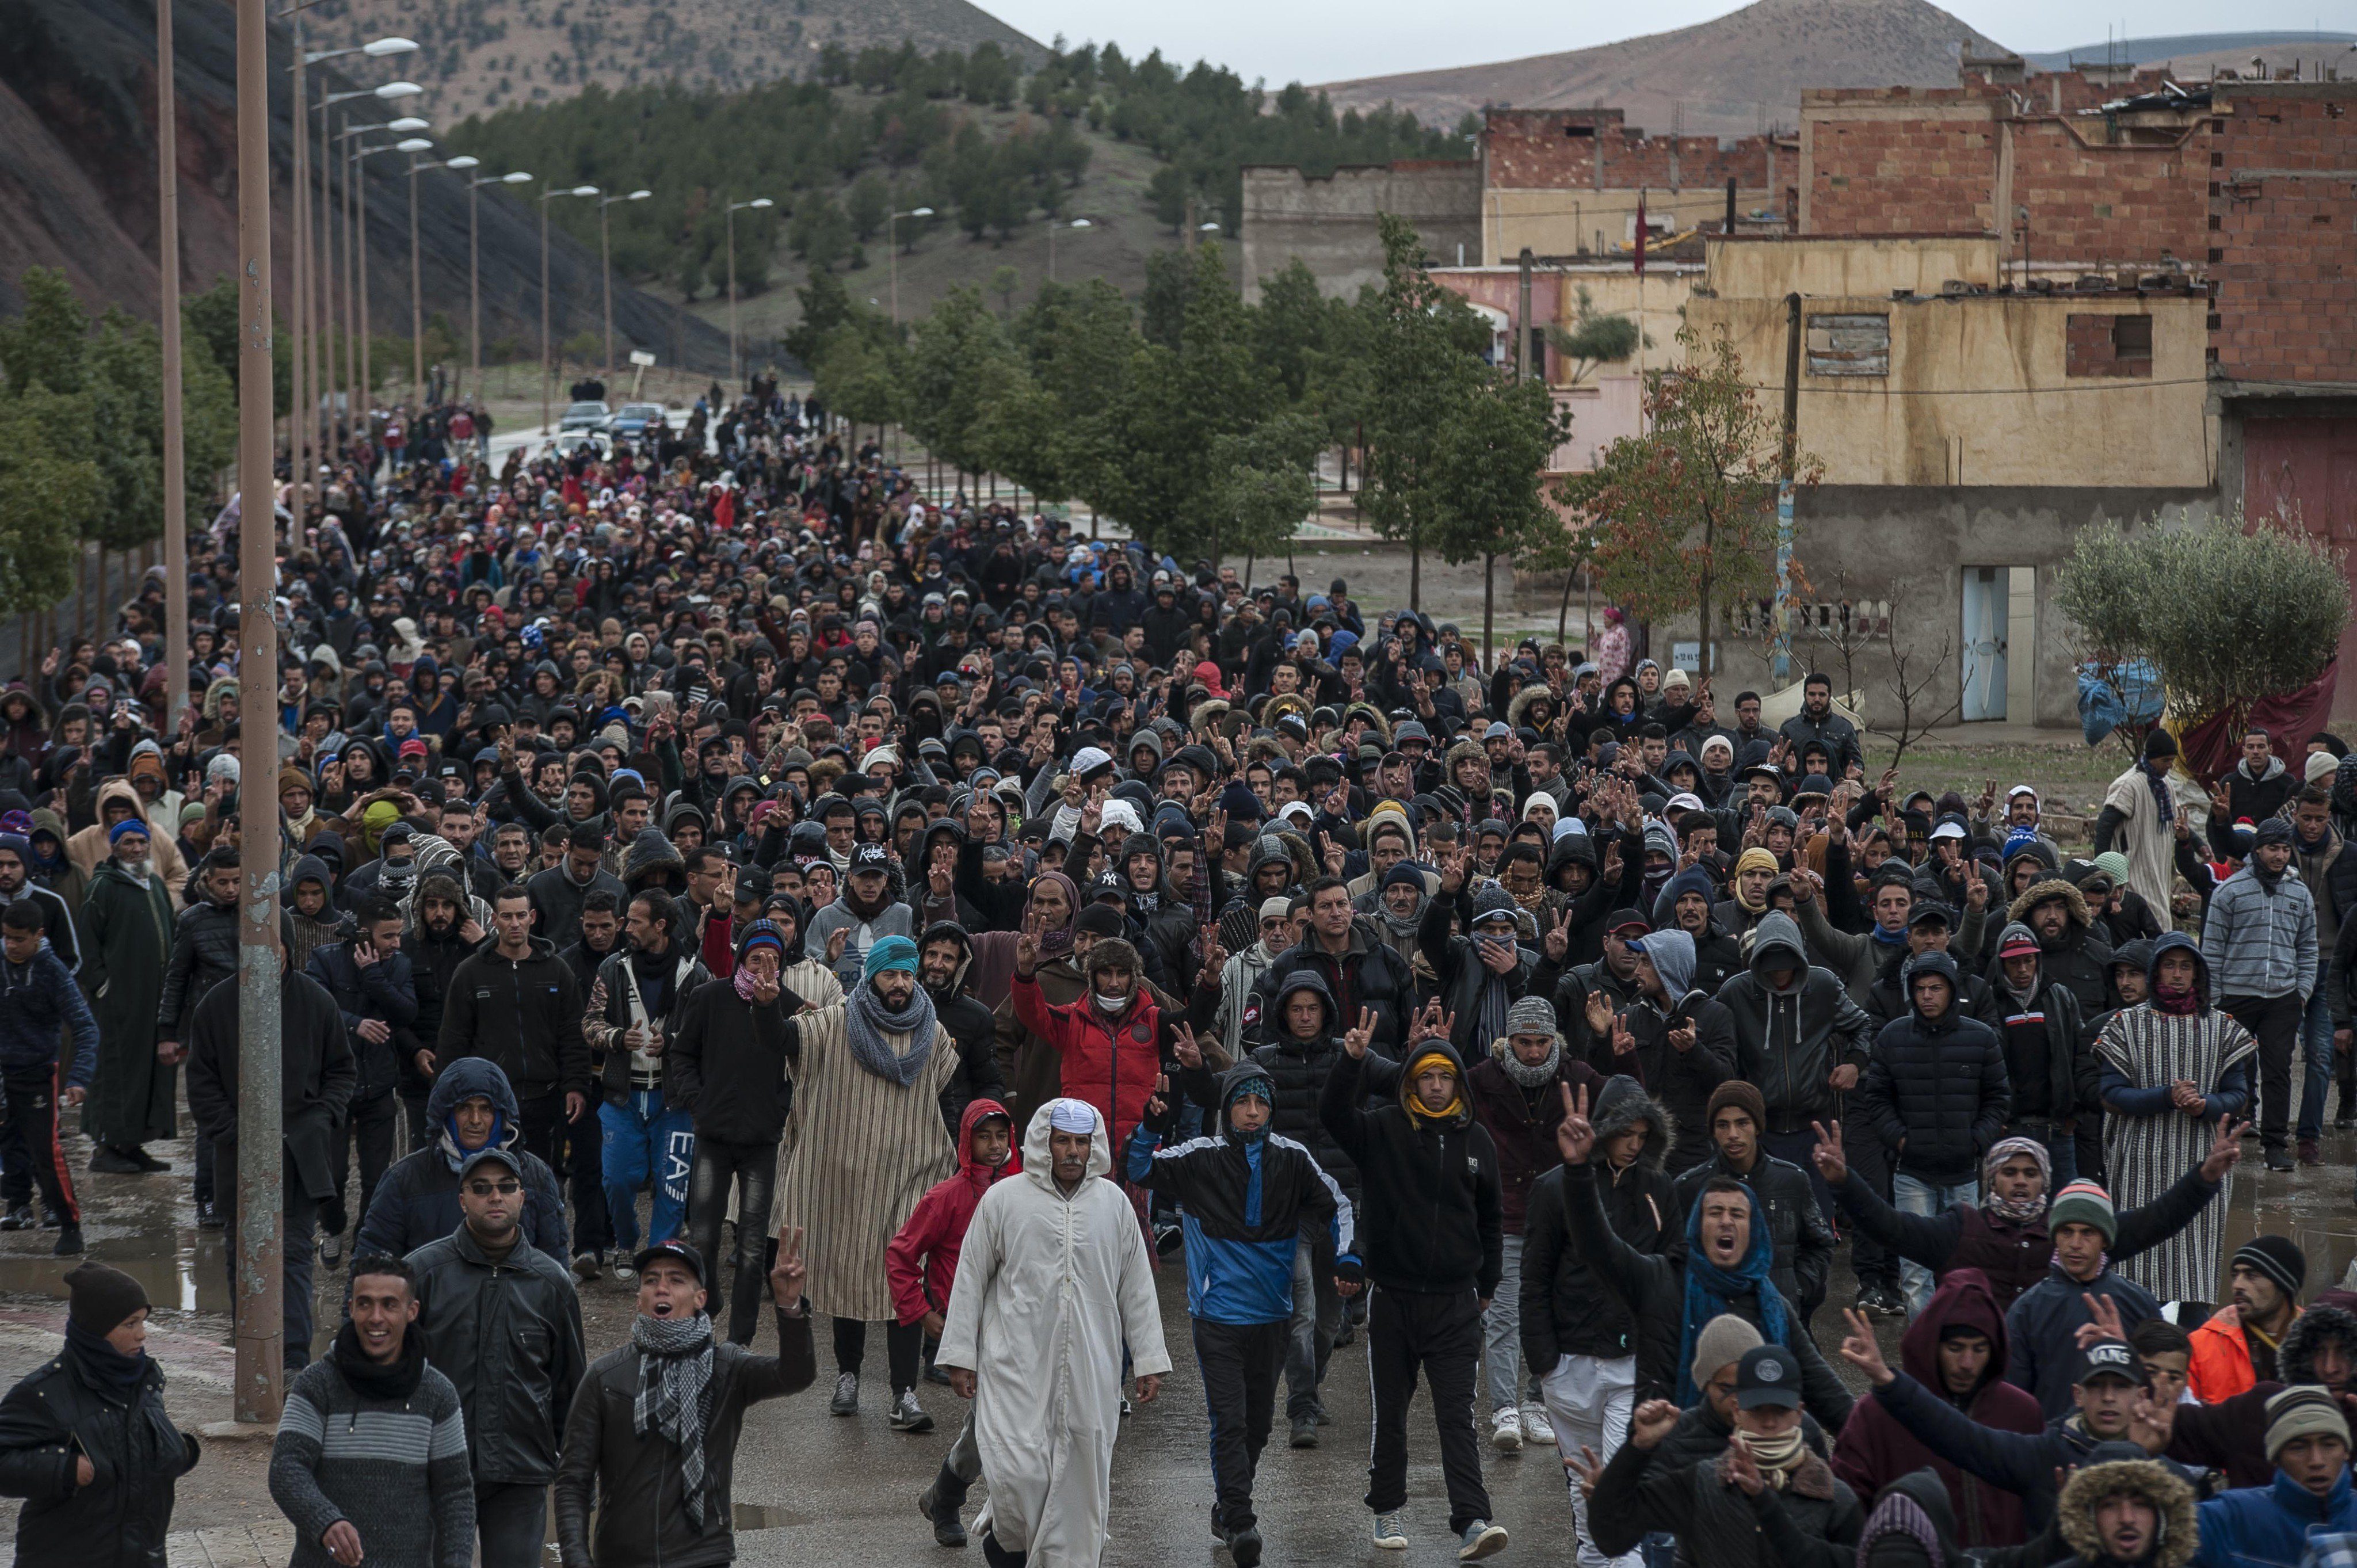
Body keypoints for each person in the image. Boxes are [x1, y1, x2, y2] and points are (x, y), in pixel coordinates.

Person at [1125, 1063, 1357, 1568]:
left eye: (1261, 1104)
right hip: (1217, 1316)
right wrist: (1151, 1127)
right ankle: (1242, 1520)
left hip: (1273, 1315)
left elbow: (1338, 1204)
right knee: (1228, 1421)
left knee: (1258, 1426)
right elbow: (1139, 1168)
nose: (1252, 1113)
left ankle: (1226, 1506)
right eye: (1242, 1102)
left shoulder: (1292, 1159)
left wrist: (1348, 1256)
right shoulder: (1200, 1157)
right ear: (1227, 1107)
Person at [936, 1098, 1172, 1568]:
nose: (1072, 1152)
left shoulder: (1114, 1206)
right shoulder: (1004, 1200)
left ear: (1093, 1145)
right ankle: (1006, 1545)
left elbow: (1138, 1289)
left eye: (1081, 1142)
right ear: (1045, 1143)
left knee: (1080, 1479)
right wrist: (962, 1354)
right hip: (1015, 1362)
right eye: (1063, 1140)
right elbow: (970, 1277)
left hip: (1092, 1365)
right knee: (1018, 1472)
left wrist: (1147, 1357)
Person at [1553, 1083, 1852, 1436]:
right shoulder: (1662, 1282)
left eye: (1738, 1215)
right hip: (1675, 1456)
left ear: (1754, 1232)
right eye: (1715, 1212)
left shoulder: (1774, 1305)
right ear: (1695, 1225)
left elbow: (1831, 1399)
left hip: (1755, 1460)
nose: (1726, 1221)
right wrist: (1577, 1170)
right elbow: (1598, 1248)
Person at [1319, 1006, 1509, 1558]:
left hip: (1456, 1302)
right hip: (1394, 1298)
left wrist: (1488, 1282)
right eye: (1425, 1076)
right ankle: (1386, 1510)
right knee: (1392, 1414)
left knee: (1458, 1417)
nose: (1433, 1085)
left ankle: (1473, 1521)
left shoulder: (1477, 1141)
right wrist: (1351, 1062)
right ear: (1410, 1080)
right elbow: (1334, 1114)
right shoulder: (1381, 1129)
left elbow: (1492, 1218)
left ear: (1457, 1083)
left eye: (1444, 1076)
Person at [773, 932, 961, 1428]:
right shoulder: (835, 1022)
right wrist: (766, 1002)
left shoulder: (933, 1033)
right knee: (850, 1274)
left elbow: (943, 1095)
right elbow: (784, 1041)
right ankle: (848, 1376)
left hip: (910, 1176)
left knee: (905, 1283)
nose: (899, 983)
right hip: (848, 1178)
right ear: (872, 974)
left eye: (906, 973)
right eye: (889, 973)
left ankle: (904, 1394)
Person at [552, 1229, 819, 1568]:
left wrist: (789, 1306)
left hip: (704, 1554)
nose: (661, 1287)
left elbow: (795, 1375)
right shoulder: (605, 1378)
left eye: (677, 1279)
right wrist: (576, 1559)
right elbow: (573, 1481)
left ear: (700, 1299)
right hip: (622, 1555)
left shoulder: (727, 1368)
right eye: (651, 1280)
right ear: (639, 1299)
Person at [1813, 1124, 2238, 1313]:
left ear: (2045, 1182)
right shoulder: (1959, 1228)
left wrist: (2204, 1178)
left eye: (2031, 1173)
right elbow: (1890, 1226)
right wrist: (1843, 1181)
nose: (2020, 1181)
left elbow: (2153, 1222)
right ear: (1992, 1178)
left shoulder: (2070, 1230)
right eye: (2010, 1172)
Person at [1837, 1314, 2193, 1535]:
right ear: (2078, 1395)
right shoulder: (2043, 1453)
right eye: (2098, 1387)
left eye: (2121, 1387)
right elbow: (1961, 1436)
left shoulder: (2170, 1477)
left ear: (2139, 1395)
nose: (2110, 1398)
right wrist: (1887, 1379)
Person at [1519, 1073, 1675, 1568]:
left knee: (1614, 1487)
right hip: (1569, 1366)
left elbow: (1670, 1275)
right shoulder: (1552, 1189)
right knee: (1585, 1495)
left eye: (1643, 1134)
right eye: (1626, 1132)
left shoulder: (1657, 1189)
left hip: (1632, 1367)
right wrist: (1547, 1363)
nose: (1634, 1143)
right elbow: (1534, 1279)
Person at [184, 925, 356, 1375]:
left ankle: (295, 1361)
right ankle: (252, 1354)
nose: (267, 959)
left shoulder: (316, 1002)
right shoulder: (217, 1007)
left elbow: (342, 1069)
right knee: (243, 1253)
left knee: (294, 1253)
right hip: (239, 1158)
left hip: (301, 1156)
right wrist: (233, 1132)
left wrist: (322, 1117)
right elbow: (201, 1083)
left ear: (287, 950)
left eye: (276, 950)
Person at [406, 1144, 587, 1567]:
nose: (495, 1196)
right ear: (462, 1198)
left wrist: (578, 1474)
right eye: (482, 1187)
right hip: (436, 1469)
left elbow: (570, 1388)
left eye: (507, 1187)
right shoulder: (421, 1274)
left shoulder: (553, 1283)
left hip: (520, 1474)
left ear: (523, 1198)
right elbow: (392, 1373)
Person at [268, 1254, 474, 1568]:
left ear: (412, 1311)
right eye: (365, 1304)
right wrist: (325, 1522)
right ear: (351, 1309)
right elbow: (287, 1469)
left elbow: (455, 1494)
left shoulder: (438, 1394)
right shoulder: (316, 1384)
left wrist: (457, 1561)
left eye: (389, 1305)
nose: (375, 1317)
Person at [1829, 1267, 2046, 1549]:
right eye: (1955, 1348)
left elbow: (2045, 1510)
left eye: (1979, 1349)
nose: (1967, 1363)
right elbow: (1846, 1508)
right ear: (1932, 1346)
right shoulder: (1878, 1413)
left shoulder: (2022, 1412)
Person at [1586, 1346, 1863, 1567]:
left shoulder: (1836, 1499)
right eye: (1757, 1411)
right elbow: (1612, 1537)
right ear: (1737, 1411)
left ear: (1799, 1413)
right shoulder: (1701, 1483)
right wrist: (1638, 1448)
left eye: (1780, 1411)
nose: (1769, 1423)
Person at [0, 1261, 200, 1566]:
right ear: (96, 1329)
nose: (142, 1335)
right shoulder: (45, 1392)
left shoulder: (144, 1381)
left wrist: (179, 1451)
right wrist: (63, 1470)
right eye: (130, 1324)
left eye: (143, 1322)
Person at [2095, 933, 2257, 1305]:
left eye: (2186, 966)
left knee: (2194, 1257)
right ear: (2156, 971)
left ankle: (2191, 1332)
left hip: (2200, 1160)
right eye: (2170, 965)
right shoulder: (2125, 1025)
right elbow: (2111, 1094)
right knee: (2137, 1251)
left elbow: (2239, 1095)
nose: (2178, 974)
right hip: (2139, 1163)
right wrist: (2166, 1096)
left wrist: (2205, 1106)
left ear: (2198, 973)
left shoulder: (2223, 1027)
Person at [1854, 949, 2011, 1314]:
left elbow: (1999, 1099)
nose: (1927, 996)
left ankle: (1958, 1353)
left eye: (1936, 988)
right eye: (1921, 988)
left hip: (1963, 1174)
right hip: (1913, 1174)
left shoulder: (1981, 1038)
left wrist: (1976, 1141)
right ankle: (1922, 1359)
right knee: (1915, 1274)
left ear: (1952, 991)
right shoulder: (1893, 1038)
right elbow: (1876, 1098)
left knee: (1965, 1269)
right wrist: (1901, 1139)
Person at [892, 1099, 1019, 1548]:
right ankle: (950, 1500)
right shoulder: (945, 1197)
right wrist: (921, 1311)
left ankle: (944, 1495)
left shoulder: (1026, 1191)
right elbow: (901, 1253)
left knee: (994, 1420)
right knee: (993, 1421)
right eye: (984, 1136)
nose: (994, 1145)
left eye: (1002, 1135)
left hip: (1019, 1324)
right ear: (966, 1141)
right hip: (969, 1325)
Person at [672, 920, 795, 1345]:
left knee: (752, 1245)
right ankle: (706, 1314)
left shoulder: (789, 1005)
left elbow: (805, 1065)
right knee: (703, 1235)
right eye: (757, 956)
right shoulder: (709, 997)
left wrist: (782, 1109)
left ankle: (740, 1340)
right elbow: (683, 1053)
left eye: (774, 959)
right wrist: (696, 1099)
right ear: (743, 957)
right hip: (714, 1134)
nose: (765, 966)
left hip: (762, 1140)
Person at [583, 888, 708, 1272]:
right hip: (622, 1096)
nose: (626, 927)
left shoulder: (695, 974)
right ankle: (625, 1240)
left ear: (661, 925)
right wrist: (619, 1038)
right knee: (618, 1180)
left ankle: (658, 1260)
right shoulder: (613, 969)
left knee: (673, 1186)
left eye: (635, 921)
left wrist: (671, 1042)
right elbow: (589, 1025)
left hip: (675, 1102)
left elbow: (708, 1034)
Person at [353, 1056, 567, 1263]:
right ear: (446, 1113)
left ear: (502, 1115)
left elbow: (555, 1268)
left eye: (486, 1109)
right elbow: (371, 1268)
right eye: (464, 1108)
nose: (475, 1120)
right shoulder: (403, 1180)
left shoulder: (536, 1175)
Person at [438, 884, 590, 1169]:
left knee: (542, 1181)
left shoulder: (557, 970)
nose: (515, 924)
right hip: (489, 1102)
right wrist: (450, 1098)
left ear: (532, 916)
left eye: (521, 915)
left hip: (546, 1097)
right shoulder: (470, 973)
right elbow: (453, 1040)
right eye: (507, 917)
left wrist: (576, 1085)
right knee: (491, 1178)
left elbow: (573, 1034)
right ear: (494, 920)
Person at [304, 897, 417, 1269]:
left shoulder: (398, 964)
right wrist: (355, 1023)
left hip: (380, 1085)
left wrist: (373, 975)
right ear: (365, 933)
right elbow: (312, 1007)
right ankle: (333, 1227)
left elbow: (405, 1011)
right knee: (333, 1174)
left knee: (376, 1175)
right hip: (334, 1087)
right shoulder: (326, 959)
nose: (396, 943)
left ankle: (365, 1244)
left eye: (399, 934)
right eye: (389, 936)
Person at [2202, 816, 2317, 1172]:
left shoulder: (2300, 894)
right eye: (2273, 848)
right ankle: (2223, 1138)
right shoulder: (2230, 891)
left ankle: (2275, 1146)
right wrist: (2216, 998)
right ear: (2257, 850)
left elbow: (2308, 948)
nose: (2280, 855)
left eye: (2285, 849)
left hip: (2282, 999)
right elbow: (2212, 950)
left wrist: (2301, 992)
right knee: (2229, 1070)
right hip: (2235, 997)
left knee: (2277, 1072)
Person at [1672, 1080, 1836, 1325]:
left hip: (1782, 1321)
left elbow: (1820, 1244)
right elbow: (1675, 1256)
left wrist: (1798, 1289)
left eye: (1742, 1123)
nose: (1733, 1135)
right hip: (1715, 1324)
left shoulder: (1792, 1180)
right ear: (1713, 1131)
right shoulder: (1691, 1186)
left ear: (1758, 1127)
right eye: (1722, 1125)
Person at [78, 814, 177, 1180]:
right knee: (116, 1072)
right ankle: (106, 1147)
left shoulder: (154, 884)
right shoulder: (102, 888)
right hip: (117, 1002)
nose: (136, 849)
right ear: (114, 848)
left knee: (144, 1072)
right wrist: (104, 987)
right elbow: (87, 947)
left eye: (141, 842)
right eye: (128, 843)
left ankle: (131, 1144)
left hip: (152, 1000)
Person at [0, 898, 98, 1253]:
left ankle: (69, 1223)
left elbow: (86, 1028)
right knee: (8, 1142)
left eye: (19, 939)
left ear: (38, 936)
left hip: (39, 1072)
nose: (11, 945)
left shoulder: (52, 970)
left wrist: (79, 1078)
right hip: (2, 1072)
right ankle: (17, 1206)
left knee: (46, 1151)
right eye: (6, 937)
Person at [2188, 1387, 2357, 1567]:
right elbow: (2165, 1531)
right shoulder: (2230, 1518)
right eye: (2298, 1448)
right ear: (2276, 1458)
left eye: (2329, 1445)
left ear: (2346, 1452)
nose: (2316, 1461)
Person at [2187, 1236, 2306, 1403]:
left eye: (2251, 1276)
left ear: (2283, 1285)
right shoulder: (2201, 1346)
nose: (2238, 1285)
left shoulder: (2320, 1342)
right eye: (2235, 1275)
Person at [2095, 728, 2195, 920]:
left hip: (2158, 869)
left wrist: (2198, 845)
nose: (2170, 765)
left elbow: (2175, 820)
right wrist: (2102, 873)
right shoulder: (2129, 784)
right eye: (2165, 760)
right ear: (2151, 758)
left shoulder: (2164, 784)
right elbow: (2104, 827)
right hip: (2134, 871)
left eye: (2171, 760)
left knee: (2160, 920)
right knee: (2144, 924)